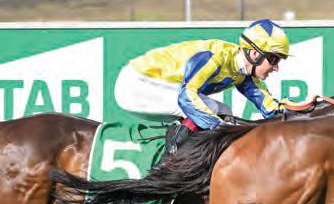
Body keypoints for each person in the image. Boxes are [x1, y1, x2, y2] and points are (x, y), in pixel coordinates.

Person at [114, 19, 290, 154]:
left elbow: (271, 110)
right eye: (273, 59)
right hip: (135, 83)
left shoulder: (244, 71)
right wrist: (220, 128)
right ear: (254, 53)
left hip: (153, 86)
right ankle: (170, 164)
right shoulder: (214, 58)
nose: (276, 68)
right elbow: (186, 98)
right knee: (212, 110)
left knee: (224, 111)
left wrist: (303, 111)